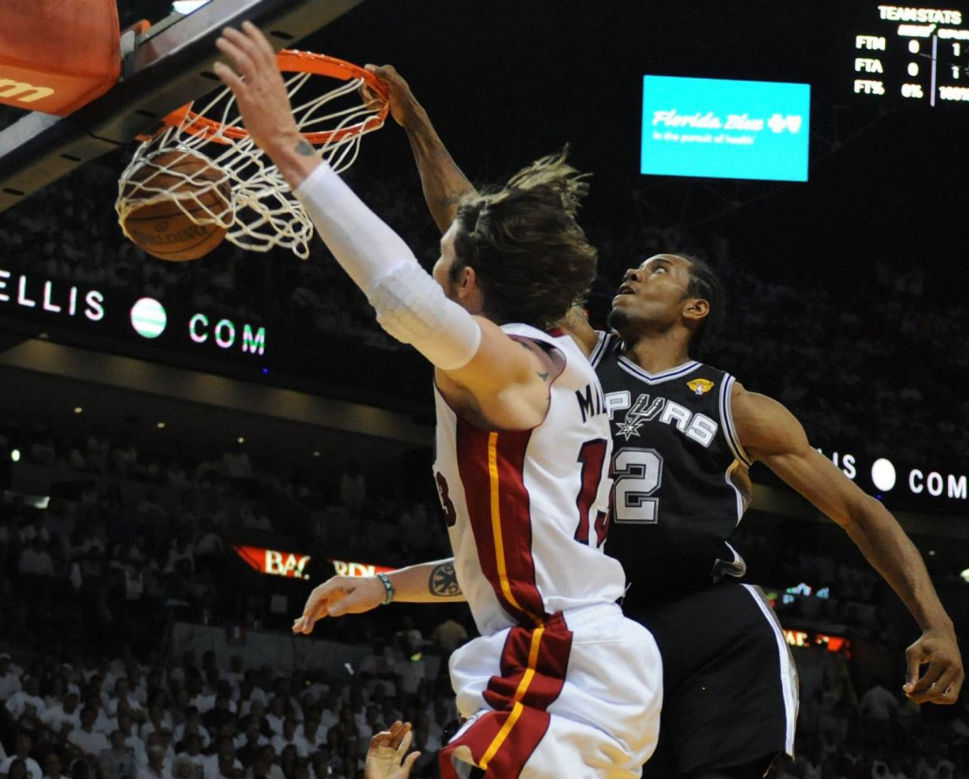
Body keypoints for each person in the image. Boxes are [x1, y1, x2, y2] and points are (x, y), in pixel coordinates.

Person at [349, 64, 966, 779]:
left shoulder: (736, 405)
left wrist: (938, 620)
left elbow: (860, 510)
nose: (635, 273)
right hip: (605, 623)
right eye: (636, 266)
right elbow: (477, 237)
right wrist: (417, 123)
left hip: (712, 622)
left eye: (659, 268)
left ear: (695, 308)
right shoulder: (576, 357)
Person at [214, 22, 661, 779]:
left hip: (557, 669)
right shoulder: (564, 359)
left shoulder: (518, 370)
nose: (434, 262)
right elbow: (502, 564)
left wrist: (292, 150)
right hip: (577, 662)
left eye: (444, 261)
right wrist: (386, 587)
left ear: (465, 286)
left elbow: (403, 301)